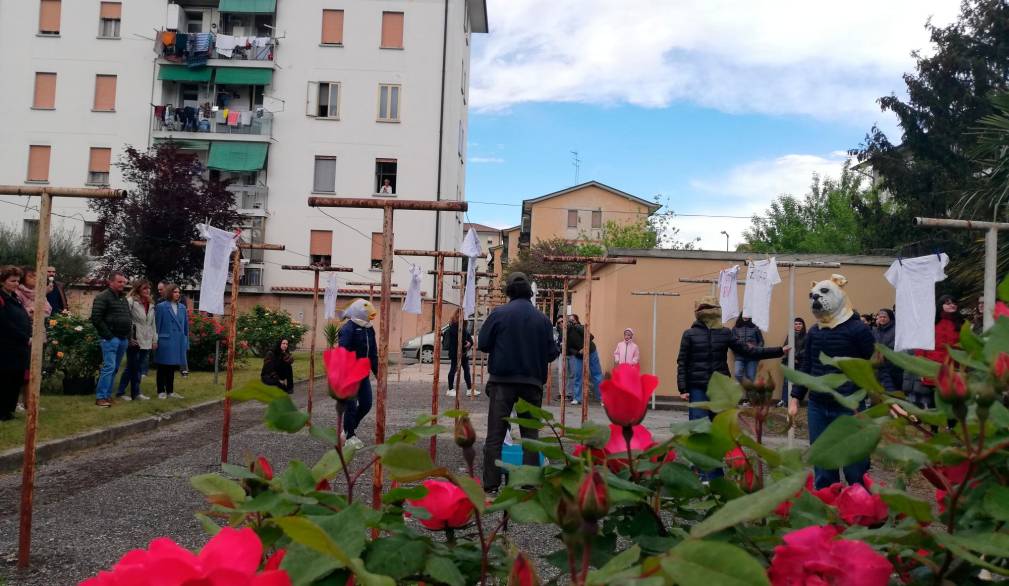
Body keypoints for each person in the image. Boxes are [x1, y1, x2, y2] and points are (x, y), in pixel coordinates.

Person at [789, 275, 881, 489]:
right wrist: (795, 397)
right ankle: (827, 507)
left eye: (824, 293)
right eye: (812, 296)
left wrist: (887, 397)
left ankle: (860, 508)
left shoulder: (859, 330)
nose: (816, 299)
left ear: (840, 293)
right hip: (818, 405)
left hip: (849, 406)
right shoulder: (814, 331)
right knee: (822, 460)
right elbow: (807, 367)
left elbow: (876, 364)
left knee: (854, 463)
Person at [478, 272, 559, 492]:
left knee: (495, 434)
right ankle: (529, 483)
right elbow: (552, 353)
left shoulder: (499, 314)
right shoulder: (542, 319)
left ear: (508, 292)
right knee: (530, 435)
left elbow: (483, 344)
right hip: (532, 383)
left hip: (502, 381)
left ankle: (491, 485)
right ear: (529, 293)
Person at [904, 295, 961, 409]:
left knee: (950, 398)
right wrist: (921, 367)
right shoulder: (932, 322)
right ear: (941, 305)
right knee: (932, 399)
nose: (952, 305)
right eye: (948, 303)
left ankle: (949, 425)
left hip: (953, 366)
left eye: (954, 302)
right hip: (932, 366)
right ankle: (934, 425)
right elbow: (922, 346)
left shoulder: (961, 323)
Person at [339, 299, 378, 450]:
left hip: (363, 374)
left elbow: (373, 354)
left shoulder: (369, 329)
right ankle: (350, 436)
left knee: (367, 404)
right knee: (351, 406)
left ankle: (348, 429)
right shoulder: (348, 329)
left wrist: (378, 374)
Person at [90, 271, 132, 408]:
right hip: (110, 339)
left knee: (114, 369)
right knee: (108, 367)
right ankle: (101, 397)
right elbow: (96, 318)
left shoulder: (122, 298)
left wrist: (128, 336)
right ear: (111, 282)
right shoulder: (103, 297)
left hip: (122, 339)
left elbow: (127, 317)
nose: (122, 284)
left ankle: (107, 395)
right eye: (120, 282)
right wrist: (109, 336)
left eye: (124, 282)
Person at [115, 280, 157, 401]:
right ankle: (124, 392)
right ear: (138, 289)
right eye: (144, 288)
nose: (147, 291)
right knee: (132, 367)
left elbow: (153, 323)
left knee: (138, 366)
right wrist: (129, 338)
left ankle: (133, 393)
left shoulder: (151, 304)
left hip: (147, 339)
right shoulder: (130, 302)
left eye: (149, 288)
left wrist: (155, 340)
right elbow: (125, 320)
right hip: (134, 339)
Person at [0, 267, 31, 421]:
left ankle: (9, 409)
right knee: (6, 378)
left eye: (18, 281)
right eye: (12, 281)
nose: (16, 284)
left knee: (17, 378)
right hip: (6, 346)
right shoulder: (1, 298)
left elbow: (22, 317)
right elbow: (4, 324)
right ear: (3, 281)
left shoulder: (16, 298)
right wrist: (24, 337)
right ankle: (2, 411)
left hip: (20, 348)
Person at [154, 284, 189, 400]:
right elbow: (156, 326)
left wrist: (185, 342)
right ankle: (160, 391)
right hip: (164, 340)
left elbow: (185, 327)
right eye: (175, 292)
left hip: (177, 341)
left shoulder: (182, 308)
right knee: (162, 367)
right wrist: (155, 340)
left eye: (178, 292)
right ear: (169, 293)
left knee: (172, 367)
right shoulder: (161, 307)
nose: (177, 294)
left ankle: (170, 391)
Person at [565, 316, 603, 406]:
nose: (570, 322)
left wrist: (584, 347)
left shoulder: (580, 327)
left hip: (591, 352)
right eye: (569, 320)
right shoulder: (567, 333)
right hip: (579, 355)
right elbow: (568, 348)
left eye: (573, 320)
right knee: (578, 375)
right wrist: (578, 351)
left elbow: (590, 337)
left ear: (577, 321)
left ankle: (602, 398)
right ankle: (577, 398)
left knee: (596, 374)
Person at [445, 309, 476, 398]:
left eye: (463, 314)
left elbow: (469, 337)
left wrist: (469, 343)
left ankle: (469, 389)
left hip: (463, 353)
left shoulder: (464, 325)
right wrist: (466, 343)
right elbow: (458, 339)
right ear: (456, 315)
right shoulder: (453, 326)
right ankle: (450, 389)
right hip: (455, 352)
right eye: (460, 314)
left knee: (466, 370)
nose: (462, 316)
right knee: (453, 369)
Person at [778, 317, 807, 407]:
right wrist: (791, 357)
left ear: (803, 325)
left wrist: (796, 356)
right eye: (796, 324)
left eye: (800, 324)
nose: (798, 325)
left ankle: (795, 401)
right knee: (787, 382)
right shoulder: (790, 335)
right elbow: (785, 347)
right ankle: (784, 401)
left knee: (798, 382)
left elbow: (806, 349)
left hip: (801, 362)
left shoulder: (807, 336)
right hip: (789, 361)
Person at [872, 308, 902, 391]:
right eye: (880, 317)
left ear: (890, 318)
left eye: (884, 317)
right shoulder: (875, 330)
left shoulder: (896, 330)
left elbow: (896, 344)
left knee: (895, 388)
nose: (882, 319)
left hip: (893, 363)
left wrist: (884, 352)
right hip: (879, 364)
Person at [731, 313, 763, 382]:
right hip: (739, 357)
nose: (746, 316)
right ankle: (746, 385)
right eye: (744, 314)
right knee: (737, 374)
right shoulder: (735, 328)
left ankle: (749, 390)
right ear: (741, 315)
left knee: (751, 377)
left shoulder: (755, 328)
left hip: (752, 357)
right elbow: (732, 343)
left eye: (747, 314)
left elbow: (761, 342)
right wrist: (736, 352)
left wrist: (755, 349)